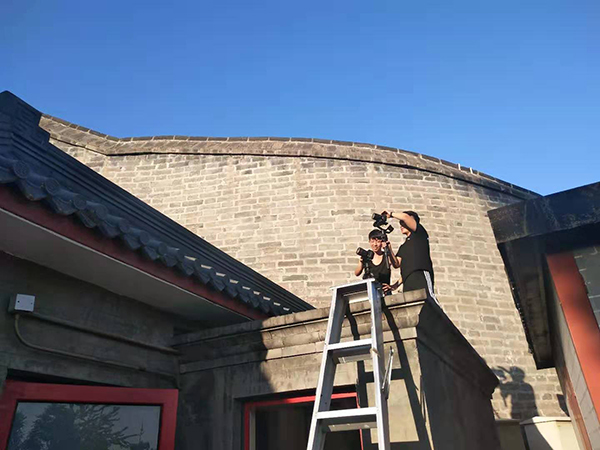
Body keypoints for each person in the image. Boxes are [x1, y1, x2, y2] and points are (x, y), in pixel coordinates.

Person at [384, 210, 437, 301]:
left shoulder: (419, 233)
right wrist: (389, 250)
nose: (401, 225)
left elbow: (405, 217)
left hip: (420, 275)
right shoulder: (403, 246)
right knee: (412, 306)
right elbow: (396, 264)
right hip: (407, 281)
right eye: (401, 223)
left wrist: (391, 214)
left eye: (403, 223)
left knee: (428, 301)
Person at [354, 229, 396, 294]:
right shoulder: (367, 256)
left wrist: (393, 286)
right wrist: (361, 262)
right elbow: (357, 273)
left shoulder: (386, 257)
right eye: (372, 241)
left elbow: (397, 264)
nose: (375, 244)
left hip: (384, 293)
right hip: (370, 293)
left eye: (378, 242)